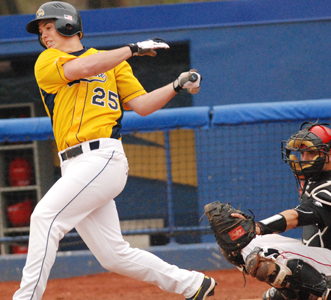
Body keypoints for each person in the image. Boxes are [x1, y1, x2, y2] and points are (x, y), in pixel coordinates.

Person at [14, 2, 211, 300]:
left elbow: (142, 105)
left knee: (44, 218)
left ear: (69, 25)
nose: (44, 34)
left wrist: (176, 84)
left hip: (101, 157)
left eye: (48, 27)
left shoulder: (115, 63)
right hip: (74, 164)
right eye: (41, 30)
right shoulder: (47, 61)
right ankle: (192, 283)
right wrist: (132, 48)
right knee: (113, 255)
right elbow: (85, 67)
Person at [228, 122, 331, 300]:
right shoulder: (322, 169)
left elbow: (295, 217)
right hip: (318, 255)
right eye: (303, 153)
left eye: (311, 153)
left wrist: (257, 226)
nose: (304, 158)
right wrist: (245, 231)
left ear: (330, 154)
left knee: (264, 254)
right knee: (242, 243)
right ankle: (298, 291)